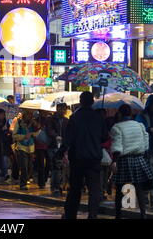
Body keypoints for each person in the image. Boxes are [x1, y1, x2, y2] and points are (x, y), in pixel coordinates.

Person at [58, 91, 109, 219]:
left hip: (77, 158)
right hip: (94, 158)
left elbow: (68, 139)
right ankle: (92, 215)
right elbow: (104, 137)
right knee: (94, 190)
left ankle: (71, 214)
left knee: (75, 189)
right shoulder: (98, 118)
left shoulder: (74, 117)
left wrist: (61, 151)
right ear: (92, 102)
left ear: (80, 102)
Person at [111, 104, 153, 219]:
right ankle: (143, 213)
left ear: (120, 114)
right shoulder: (139, 125)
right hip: (139, 158)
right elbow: (146, 140)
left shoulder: (117, 127)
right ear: (130, 114)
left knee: (120, 189)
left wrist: (114, 162)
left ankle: (118, 215)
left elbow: (117, 146)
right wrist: (143, 152)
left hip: (124, 160)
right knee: (139, 188)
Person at [11, 109, 40, 190]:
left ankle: (26, 180)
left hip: (31, 148)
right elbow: (14, 135)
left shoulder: (33, 124)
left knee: (29, 167)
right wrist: (23, 136)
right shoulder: (19, 122)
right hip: (21, 148)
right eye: (28, 114)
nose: (29, 116)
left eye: (31, 115)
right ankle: (23, 184)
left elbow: (38, 132)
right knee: (24, 167)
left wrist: (33, 133)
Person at [46, 103, 69, 195]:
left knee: (60, 167)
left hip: (63, 146)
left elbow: (68, 132)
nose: (62, 111)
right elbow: (49, 130)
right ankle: (55, 187)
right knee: (56, 166)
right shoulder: (50, 119)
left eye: (64, 109)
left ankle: (57, 185)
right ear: (57, 109)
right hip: (52, 145)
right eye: (61, 109)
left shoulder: (66, 120)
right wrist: (56, 136)